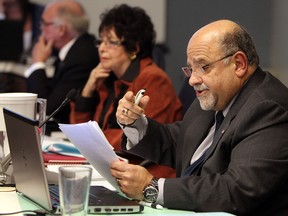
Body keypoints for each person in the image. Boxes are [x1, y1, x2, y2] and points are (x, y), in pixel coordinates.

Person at [111, 19, 288, 215]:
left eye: (203, 67)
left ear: (239, 64)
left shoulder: (268, 108)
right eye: (191, 69)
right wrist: (136, 124)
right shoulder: (216, 96)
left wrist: (151, 188)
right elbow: (180, 142)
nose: (193, 80)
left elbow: (236, 190)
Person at [70, 4, 182, 178]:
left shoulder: (154, 79)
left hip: (147, 175)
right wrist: (88, 90)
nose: (101, 48)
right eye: (101, 41)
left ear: (134, 49)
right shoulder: (110, 79)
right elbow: (81, 129)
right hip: (112, 168)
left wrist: (90, 143)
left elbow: (140, 140)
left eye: (111, 42)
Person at [24, 0, 99, 126]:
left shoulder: (82, 56)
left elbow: (47, 110)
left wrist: (38, 63)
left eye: (44, 23)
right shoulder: (74, 49)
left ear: (61, 29)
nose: (40, 28)